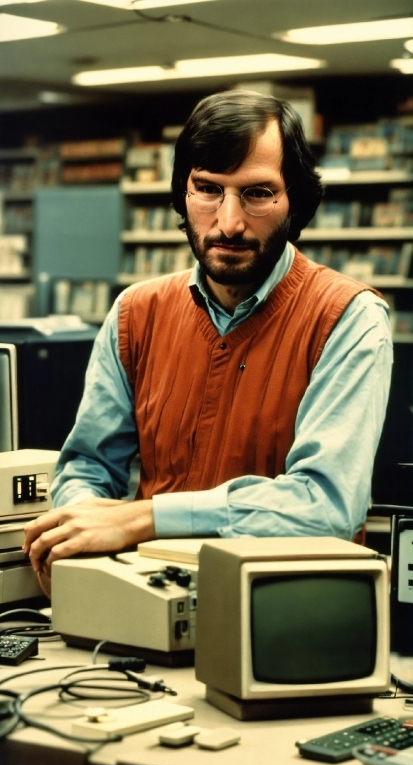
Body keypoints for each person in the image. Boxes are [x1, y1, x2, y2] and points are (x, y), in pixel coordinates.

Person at [23, 90, 393, 594]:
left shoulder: (349, 318)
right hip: (142, 600)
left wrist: (143, 518)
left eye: (257, 193)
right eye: (208, 189)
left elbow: (326, 505)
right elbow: (89, 464)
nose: (229, 222)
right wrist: (84, 516)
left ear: (295, 200)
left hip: (285, 622)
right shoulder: (136, 313)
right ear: (183, 192)